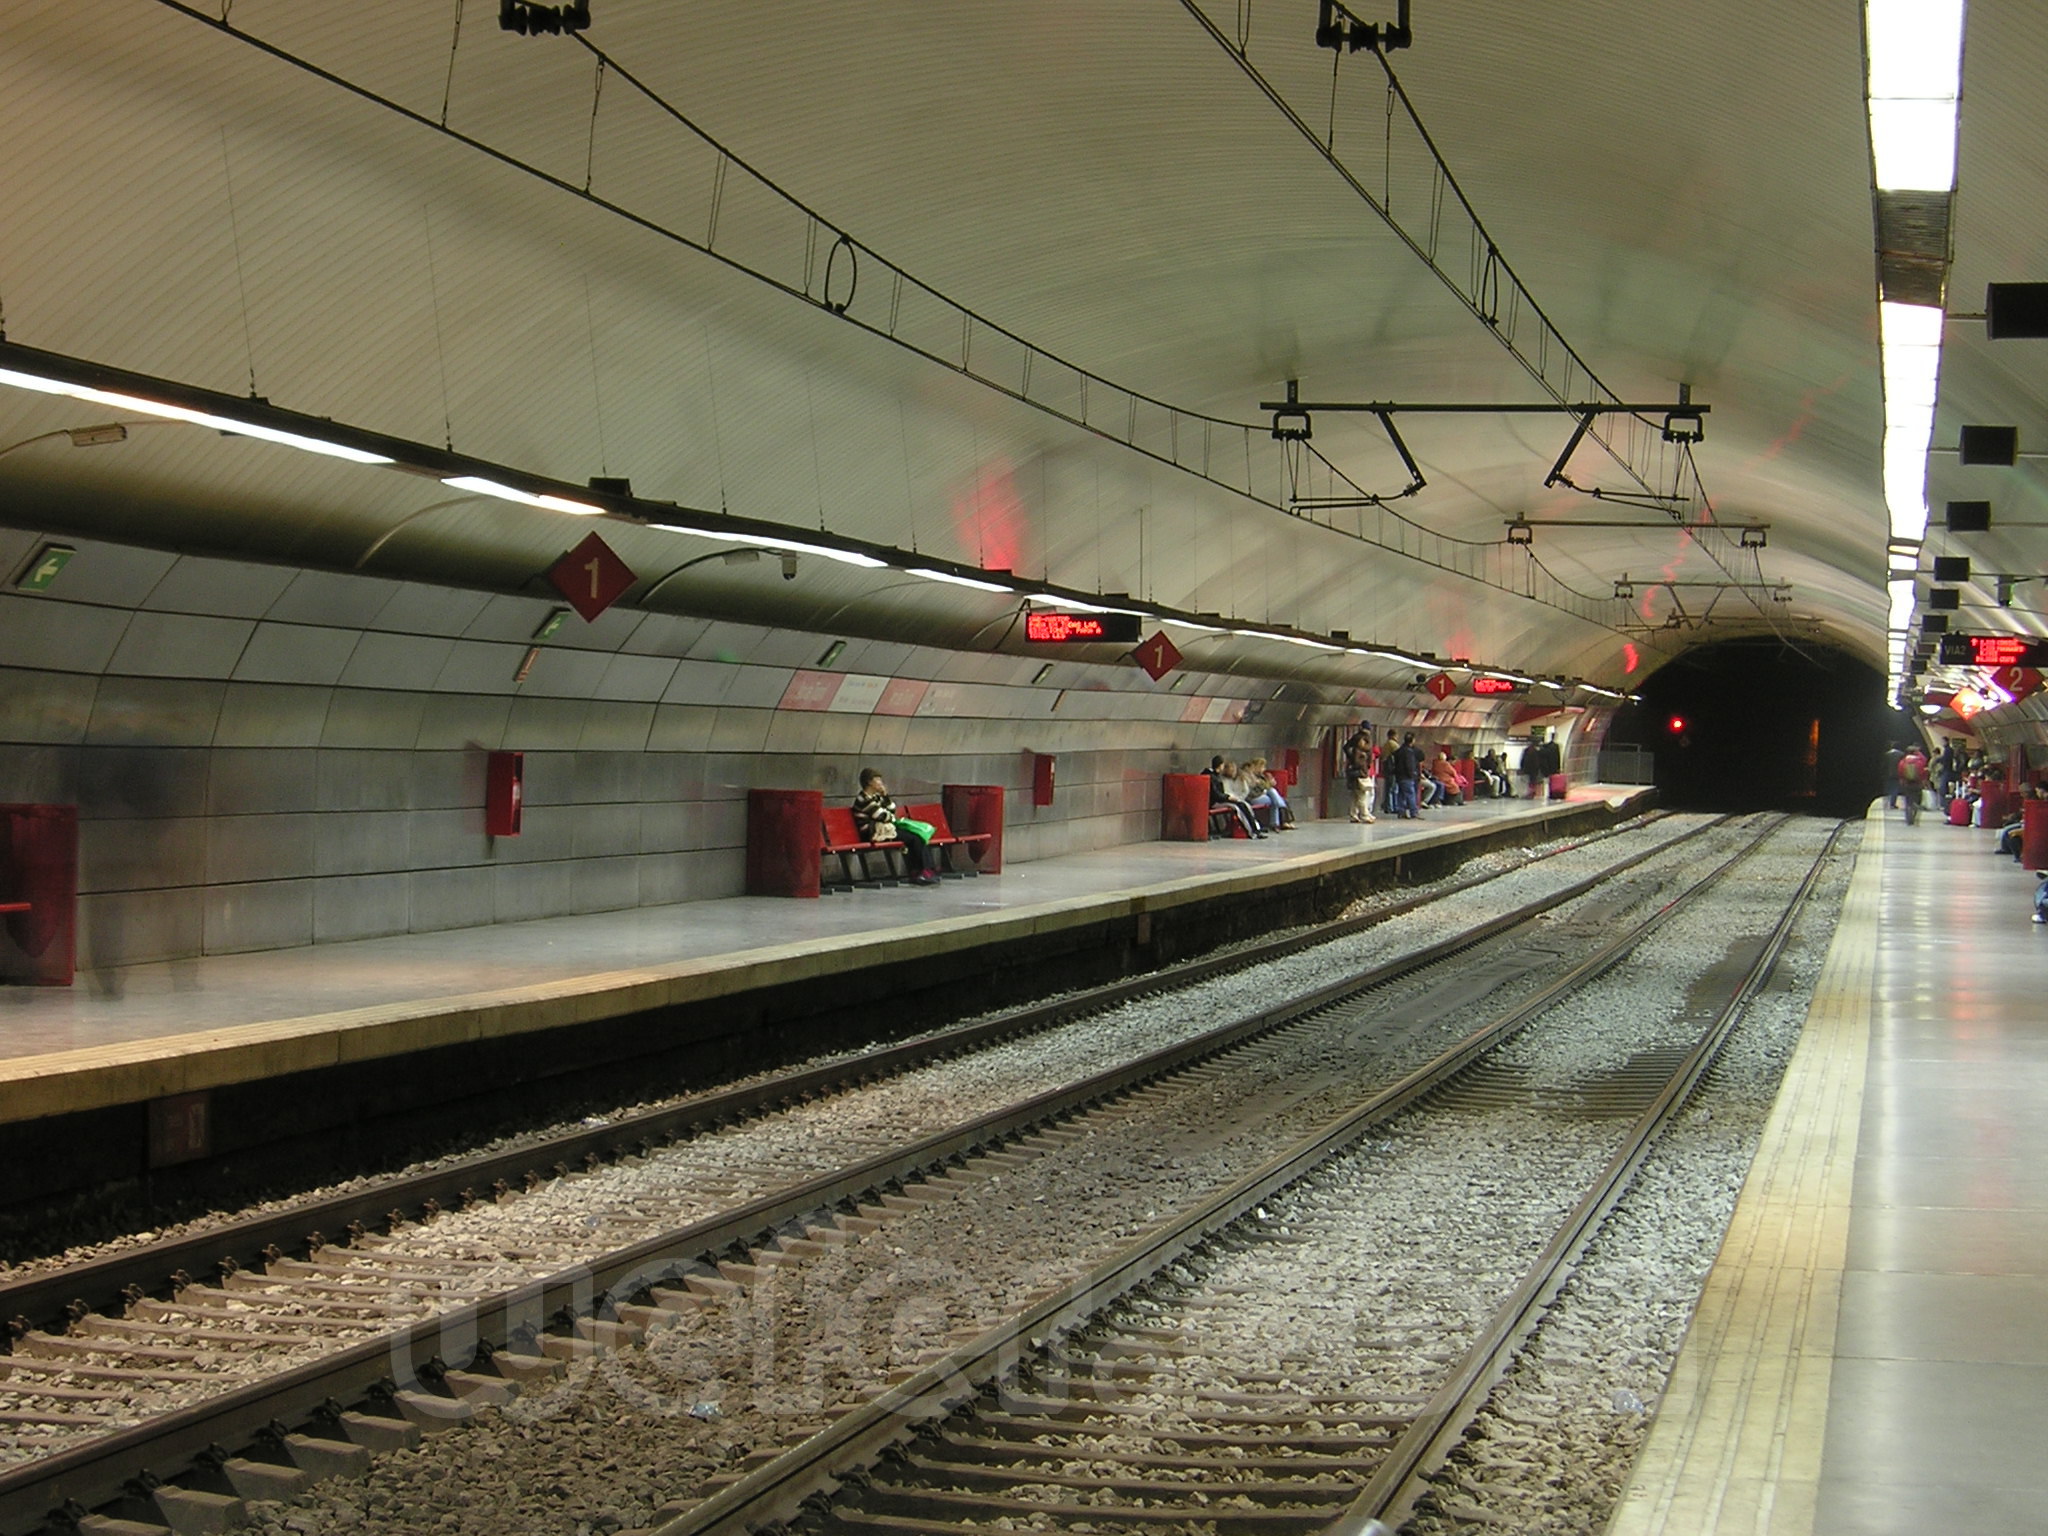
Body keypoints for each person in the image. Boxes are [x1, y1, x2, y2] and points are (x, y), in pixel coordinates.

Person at [852, 767, 936, 885]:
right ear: (869, 782)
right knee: (913, 838)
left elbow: (892, 809)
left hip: (884, 829)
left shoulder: (876, 797)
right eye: (878, 780)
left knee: (917, 836)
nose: (881, 783)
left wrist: (885, 796)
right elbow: (882, 816)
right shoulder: (863, 799)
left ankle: (922, 870)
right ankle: (923, 870)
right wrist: (890, 817)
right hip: (872, 832)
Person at [1208, 757, 1266, 839]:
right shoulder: (1213, 777)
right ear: (1220, 766)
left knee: (1244, 805)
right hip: (1216, 802)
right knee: (1238, 808)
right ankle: (1250, 831)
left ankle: (1255, 829)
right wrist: (1228, 797)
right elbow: (1217, 794)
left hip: (1223, 799)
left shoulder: (1217, 777)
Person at [1243, 756, 1295, 830]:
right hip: (1253, 798)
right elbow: (1254, 789)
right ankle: (1279, 817)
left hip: (1262, 795)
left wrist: (1267, 784)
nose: (1263, 769)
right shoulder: (1248, 776)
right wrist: (1266, 785)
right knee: (1274, 796)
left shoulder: (1261, 776)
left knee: (1273, 796)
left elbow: (1265, 785)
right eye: (1262, 767)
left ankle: (1276, 823)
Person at [1342, 726, 1377, 824]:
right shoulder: (1360, 753)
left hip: (1354, 774)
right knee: (1362, 796)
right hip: (1359, 775)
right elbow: (1359, 763)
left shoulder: (1353, 750)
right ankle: (1365, 815)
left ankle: (1353, 815)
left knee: (1354, 795)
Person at [1392, 733, 1423, 819]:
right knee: (1411, 794)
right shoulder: (1409, 752)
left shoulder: (1399, 751)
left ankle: (1401, 811)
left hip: (1399, 776)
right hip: (1407, 776)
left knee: (1401, 794)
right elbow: (1410, 765)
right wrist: (1413, 775)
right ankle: (1414, 812)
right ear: (1412, 740)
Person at [1897, 742, 1928, 825]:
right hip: (1917, 783)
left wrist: (1902, 779)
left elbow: (1900, 772)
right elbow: (1923, 771)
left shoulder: (1903, 761)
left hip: (1907, 783)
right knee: (1917, 799)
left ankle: (1908, 819)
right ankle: (1914, 811)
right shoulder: (1919, 761)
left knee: (1908, 801)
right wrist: (1923, 780)